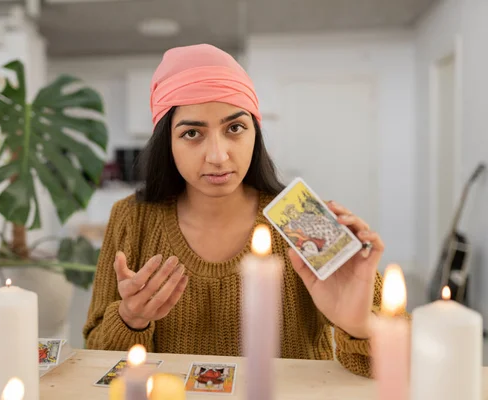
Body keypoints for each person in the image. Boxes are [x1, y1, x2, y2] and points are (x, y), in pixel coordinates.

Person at [83, 43, 387, 378]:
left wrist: (358, 325)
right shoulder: (132, 218)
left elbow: (393, 364)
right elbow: (95, 363)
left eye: (234, 128)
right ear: (166, 143)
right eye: (192, 133)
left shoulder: (302, 217)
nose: (218, 155)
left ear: (255, 132)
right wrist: (130, 318)